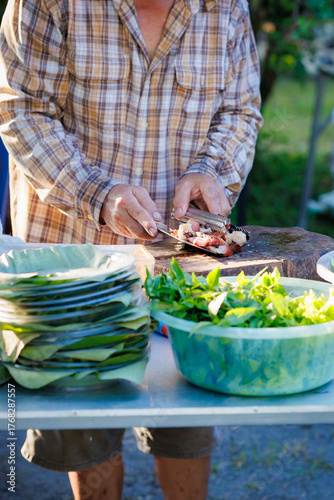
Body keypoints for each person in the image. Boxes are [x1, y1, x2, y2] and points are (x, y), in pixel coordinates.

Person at [0, 0, 263, 498]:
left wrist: (213, 170)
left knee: (186, 419)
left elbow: (240, 109)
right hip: (73, 270)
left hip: (182, 267)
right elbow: (21, 107)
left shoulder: (226, 6)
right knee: (88, 432)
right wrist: (96, 192)